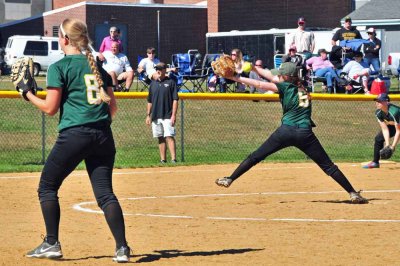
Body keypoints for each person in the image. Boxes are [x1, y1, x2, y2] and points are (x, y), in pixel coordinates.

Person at [24, 18, 131, 262]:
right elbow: (112, 108)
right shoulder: (96, 66)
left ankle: (51, 242)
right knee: (105, 195)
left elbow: (50, 108)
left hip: (75, 135)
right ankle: (122, 248)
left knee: (47, 187)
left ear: (64, 39)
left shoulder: (59, 67)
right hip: (104, 135)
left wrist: (28, 94)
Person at [214, 62, 368, 204]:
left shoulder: (285, 87)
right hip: (305, 134)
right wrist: (254, 68)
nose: (278, 76)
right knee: (328, 166)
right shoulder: (303, 88)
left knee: (256, 156)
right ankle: (353, 193)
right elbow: (270, 76)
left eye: (280, 75)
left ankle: (230, 179)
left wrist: (235, 77)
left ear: (286, 77)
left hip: (285, 131)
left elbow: (260, 83)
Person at [146, 62, 179, 163]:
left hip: (167, 115)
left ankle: (173, 159)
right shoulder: (153, 84)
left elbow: (175, 99)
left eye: (160, 69)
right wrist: (148, 115)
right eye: (157, 69)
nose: (158, 71)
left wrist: (173, 115)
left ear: (165, 70)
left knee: (169, 136)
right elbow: (150, 101)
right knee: (160, 137)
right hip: (156, 115)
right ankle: (163, 159)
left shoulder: (171, 83)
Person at [362, 93, 400, 169]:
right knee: (378, 138)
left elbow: (398, 131)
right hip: (393, 125)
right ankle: (375, 162)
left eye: (380, 101)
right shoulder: (378, 113)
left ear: (387, 102)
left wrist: (392, 147)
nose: (377, 103)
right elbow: (385, 129)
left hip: (397, 126)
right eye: (377, 101)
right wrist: (387, 145)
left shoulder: (395, 112)